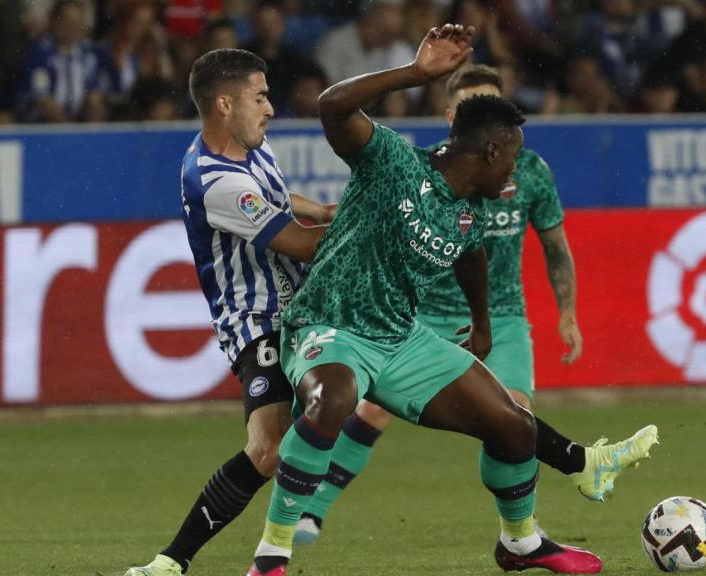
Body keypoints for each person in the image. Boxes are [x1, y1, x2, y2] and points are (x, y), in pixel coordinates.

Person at [247, 24, 658, 576]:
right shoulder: (394, 161)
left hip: (399, 339)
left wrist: (482, 324)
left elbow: (471, 256)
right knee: (335, 397)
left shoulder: (471, 212)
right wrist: (416, 75)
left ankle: (521, 543)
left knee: (513, 425)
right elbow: (331, 106)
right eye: (510, 158)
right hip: (329, 324)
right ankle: (272, 556)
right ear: (489, 151)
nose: (514, 171)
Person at [293, 61, 588, 545]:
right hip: (421, 307)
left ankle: (519, 529)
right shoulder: (424, 168)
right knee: (370, 410)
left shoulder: (530, 172)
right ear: (451, 116)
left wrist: (567, 311)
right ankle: (313, 509)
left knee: (513, 415)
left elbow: (553, 245)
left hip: (503, 310)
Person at [123, 47, 335, 576]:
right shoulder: (214, 179)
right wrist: (367, 225)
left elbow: (281, 199)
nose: (270, 109)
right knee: (266, 449)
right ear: (224, 103)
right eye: (260, 97)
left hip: (304, 308)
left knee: (323, 412)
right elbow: (301, 245)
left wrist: (328, 211)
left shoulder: (253, 148)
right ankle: (173, 561)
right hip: (258, 320)